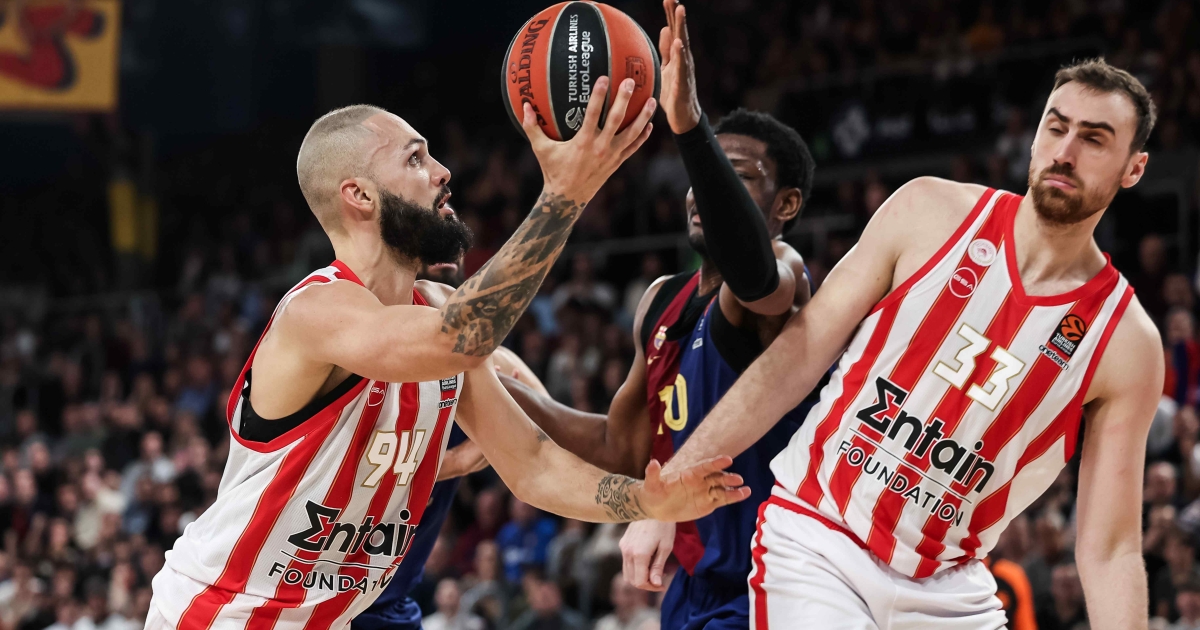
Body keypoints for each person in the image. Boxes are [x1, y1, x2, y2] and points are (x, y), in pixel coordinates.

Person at [145, 81, 750, 629]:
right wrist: (565, 194)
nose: (442, 172)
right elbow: (457, 338)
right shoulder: (316, 311)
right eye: (415, 159)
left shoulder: (437, 307)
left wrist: (645, 500)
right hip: (216, 616)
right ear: (359, 195)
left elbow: (533, 465)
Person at [663, 57, 1164, 629]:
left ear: (1134, 168)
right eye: (1056, 127)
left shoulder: (1127, 342)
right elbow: (794, 358)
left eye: (1094, 139)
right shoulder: (929, 211)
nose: (1065, 152)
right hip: (820, 537)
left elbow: (1110, 549)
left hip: (950, 584)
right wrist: (672, 488)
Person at [503, 3, 816, 629]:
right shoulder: (661, 300)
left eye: (735, 174)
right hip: (694, 588)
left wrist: (692, 128)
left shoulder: (787, 276)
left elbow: (757, 280)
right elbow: (619, 448)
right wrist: (488, 386)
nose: (704, 188)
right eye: (704, 173)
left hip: (778, 585)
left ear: (786, 204)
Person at [351, 261, 545, 630]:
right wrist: (459, 459)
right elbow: (351, 466)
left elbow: (552, 428)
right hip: (320, 588)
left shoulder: (487, 361)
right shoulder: (362, 347)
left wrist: (516, 420)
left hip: (389, 599)